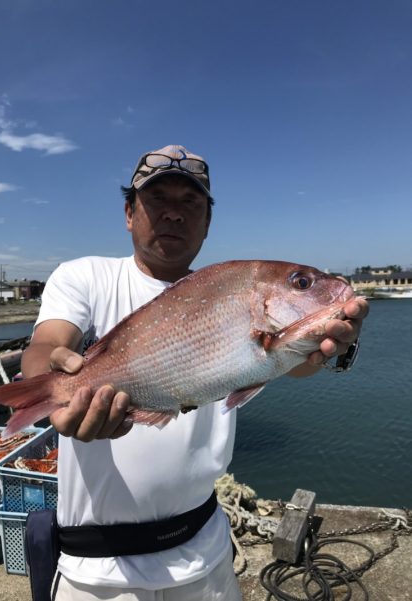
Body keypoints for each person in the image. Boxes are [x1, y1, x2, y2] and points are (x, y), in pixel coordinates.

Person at [21, 144, 369, 601]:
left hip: (207, 556)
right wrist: (53, 380)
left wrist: (336, 344)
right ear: (129, 213)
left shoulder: (227, 291)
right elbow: (46, 345)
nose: (174, 214)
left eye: (190, 203)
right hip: (98, 572)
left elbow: (292, 364)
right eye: (156, 199)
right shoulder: (85, 276)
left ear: (207, 221)